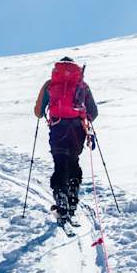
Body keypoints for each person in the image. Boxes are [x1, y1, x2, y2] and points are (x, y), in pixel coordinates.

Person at [32, 57, 98, 225]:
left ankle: (61, 201)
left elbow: (38, 112)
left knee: (60, 162)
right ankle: (73, 194)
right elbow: (93, 112)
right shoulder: (82, 84)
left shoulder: (50, 84)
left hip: (58, 127)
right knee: (73, 161)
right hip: (77, 130)